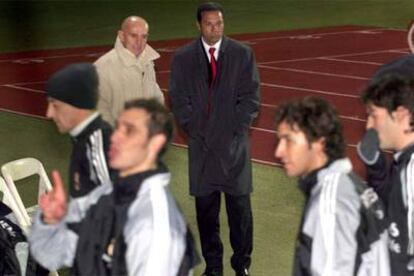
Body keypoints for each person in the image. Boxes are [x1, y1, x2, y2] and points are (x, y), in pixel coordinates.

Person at [29, 98, 199, 275]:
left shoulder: (155, 221)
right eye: (118, 127)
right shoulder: (104, 196)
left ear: (155, 144)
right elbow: (53, 255)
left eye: (129, 131)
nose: (115, 136)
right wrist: (50, 221)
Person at [168, 2, 260, 275]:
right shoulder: (183, 58)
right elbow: (178, 99)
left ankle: (241, 265)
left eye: (219, 24)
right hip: (202, 149)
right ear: (198, 25)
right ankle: (214, 267)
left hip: (234, 149)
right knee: (207, 215)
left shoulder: (242, 54)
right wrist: (196, 129)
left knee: (240, 214)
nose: (215, 29)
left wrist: (233, 129)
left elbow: (251, 98)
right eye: (209, 24)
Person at [274, 97, 390, 275]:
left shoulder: (331, 200)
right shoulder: (349, 184)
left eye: (288, 140)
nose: (278, 151)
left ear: (319, 143)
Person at [357, 55, 414, 275]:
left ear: (401, 115)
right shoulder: (403, 163)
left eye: (373, 115)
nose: (368, 124)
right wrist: (377, 168)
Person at [46, 63, 112, 198]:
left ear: (77, 104)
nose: (49, 113)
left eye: (55, 105)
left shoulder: (96, 143)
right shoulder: (85, 138)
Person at [94, 15, 164, 126]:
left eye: (144, 37)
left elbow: (155, 94)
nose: (139, 42)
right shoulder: (103, 67)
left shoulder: (147, 61)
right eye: (133, 36)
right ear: (121, 36)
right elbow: (98, 110)